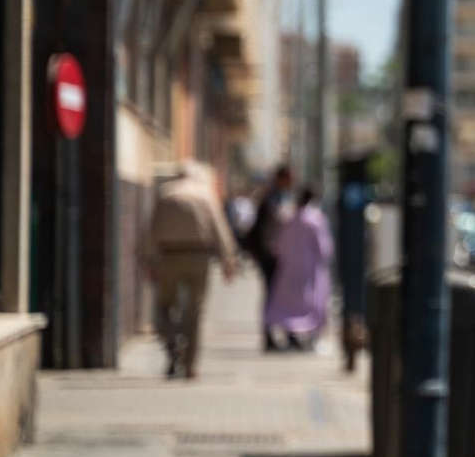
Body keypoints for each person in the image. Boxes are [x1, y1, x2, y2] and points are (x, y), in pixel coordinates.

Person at [142, 160, 239, 380]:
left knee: (164, 306)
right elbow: (219, 227)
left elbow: (152, 228)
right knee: (195, 313)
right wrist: (228, 260)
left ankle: (172, 347)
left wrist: (149, 259)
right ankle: (190, 365)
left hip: (169, 256)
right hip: (199, 257)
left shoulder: (166, 193)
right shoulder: (205, 194)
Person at [264, 188, 334, 351]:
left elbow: (278, 245)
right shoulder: (316, 219)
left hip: (288, 268)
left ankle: (292, 335)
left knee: (288, 304)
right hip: (310, 270)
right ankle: (310, 338)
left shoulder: (288, 219)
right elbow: (324, 248)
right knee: (312, 303)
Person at [246, 164, 292, 351]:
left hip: (278, 256)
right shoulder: (271, 199)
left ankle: (286, 333)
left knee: (281, 295)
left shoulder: (280, 197)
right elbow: (265, 229)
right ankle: (269, 335)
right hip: (271, 256)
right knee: (272, 295)